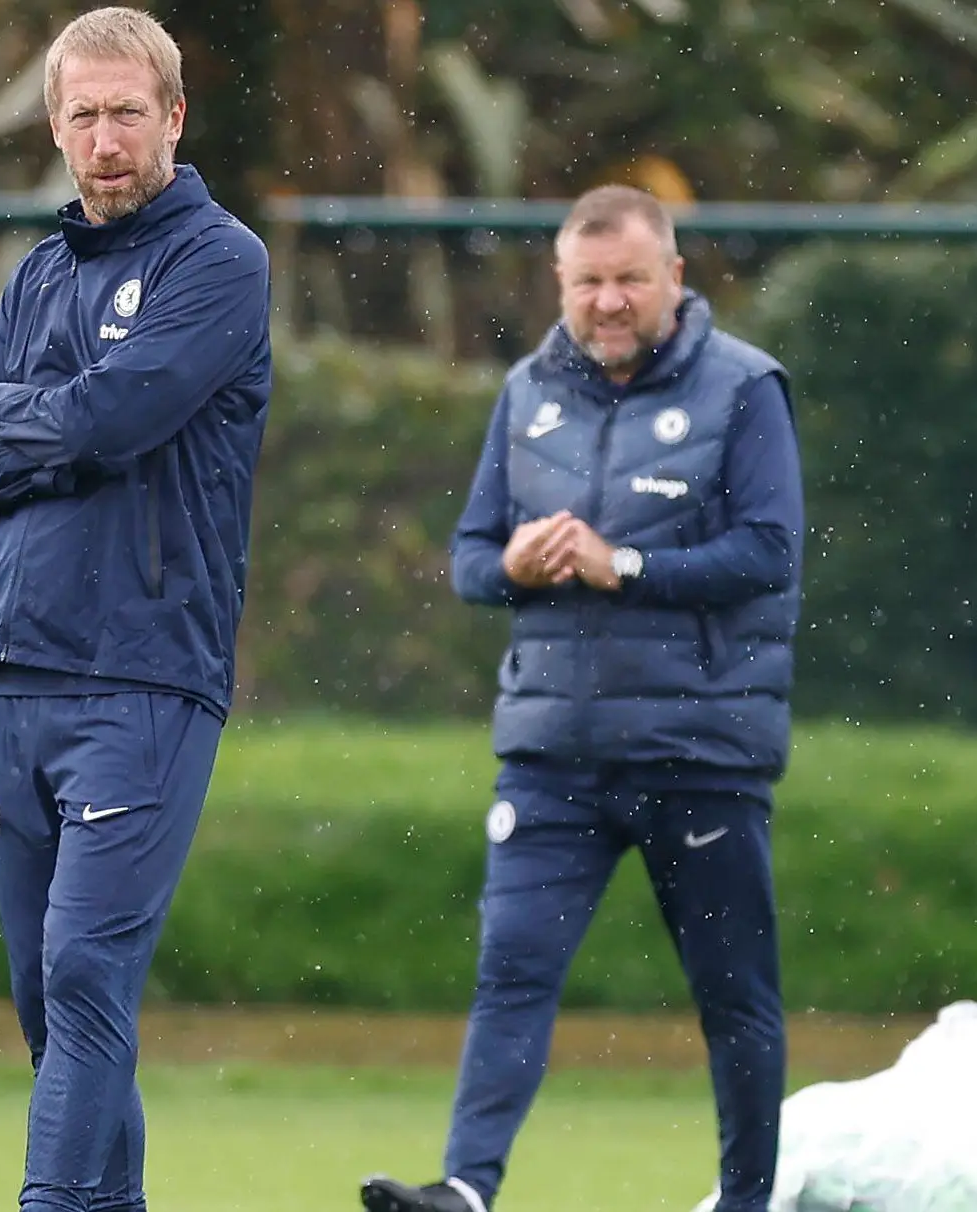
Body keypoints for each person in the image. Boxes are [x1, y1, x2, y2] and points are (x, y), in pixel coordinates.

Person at [360, 184, 803, 1212]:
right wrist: (514, 561)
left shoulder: (745, 389)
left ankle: (747, 1201)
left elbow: (770, 553)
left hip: (700, 749)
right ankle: (464, 1191)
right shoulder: (526, 390)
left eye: (628, 280)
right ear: (560, 282)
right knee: (510, 978)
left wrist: (628, 566)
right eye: (588, 281)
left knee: (734, 1000)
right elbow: (471, 561)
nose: (607, 301)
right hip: (551, 748)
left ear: (673, 280)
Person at [0, 8, 272, 1211]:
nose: (107, 137)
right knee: (52, 1004)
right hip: (20, 672)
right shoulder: (36, 274)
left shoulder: (217, 260)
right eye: (84, 115)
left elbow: (115, 420)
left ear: (173, 116)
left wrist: (43, 419)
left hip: (143, 675)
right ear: (54, 128)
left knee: (83, 975)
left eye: (130, 111)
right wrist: (62, 422)